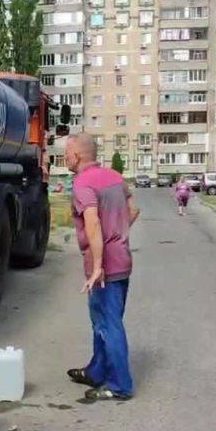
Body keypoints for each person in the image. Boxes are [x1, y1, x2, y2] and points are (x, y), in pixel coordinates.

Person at [63, 132, 140, 402]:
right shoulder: (115, 177)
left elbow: (92, 222)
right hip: (122, 259)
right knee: (102, 321)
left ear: (77, 155)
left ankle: (120, 385)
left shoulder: (83, 183)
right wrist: (117, 235)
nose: (64, 157)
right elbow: (133, 211)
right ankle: (97, 371)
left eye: (67, 152)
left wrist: (97, 265)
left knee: (109, 324)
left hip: (104, 266)